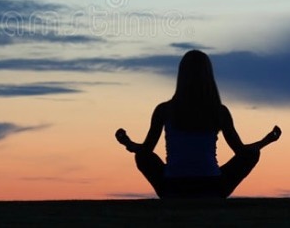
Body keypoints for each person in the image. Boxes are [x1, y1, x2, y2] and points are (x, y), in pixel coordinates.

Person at [115, 50, 282, 198]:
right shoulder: (219, 111)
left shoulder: (164, 110)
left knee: (142, 156)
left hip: (173, 186)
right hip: (212, 186)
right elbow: (242, 153)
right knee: (251, 154)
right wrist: (266, 141)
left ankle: (172, 195)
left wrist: (127, 143)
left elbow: (145, 151)